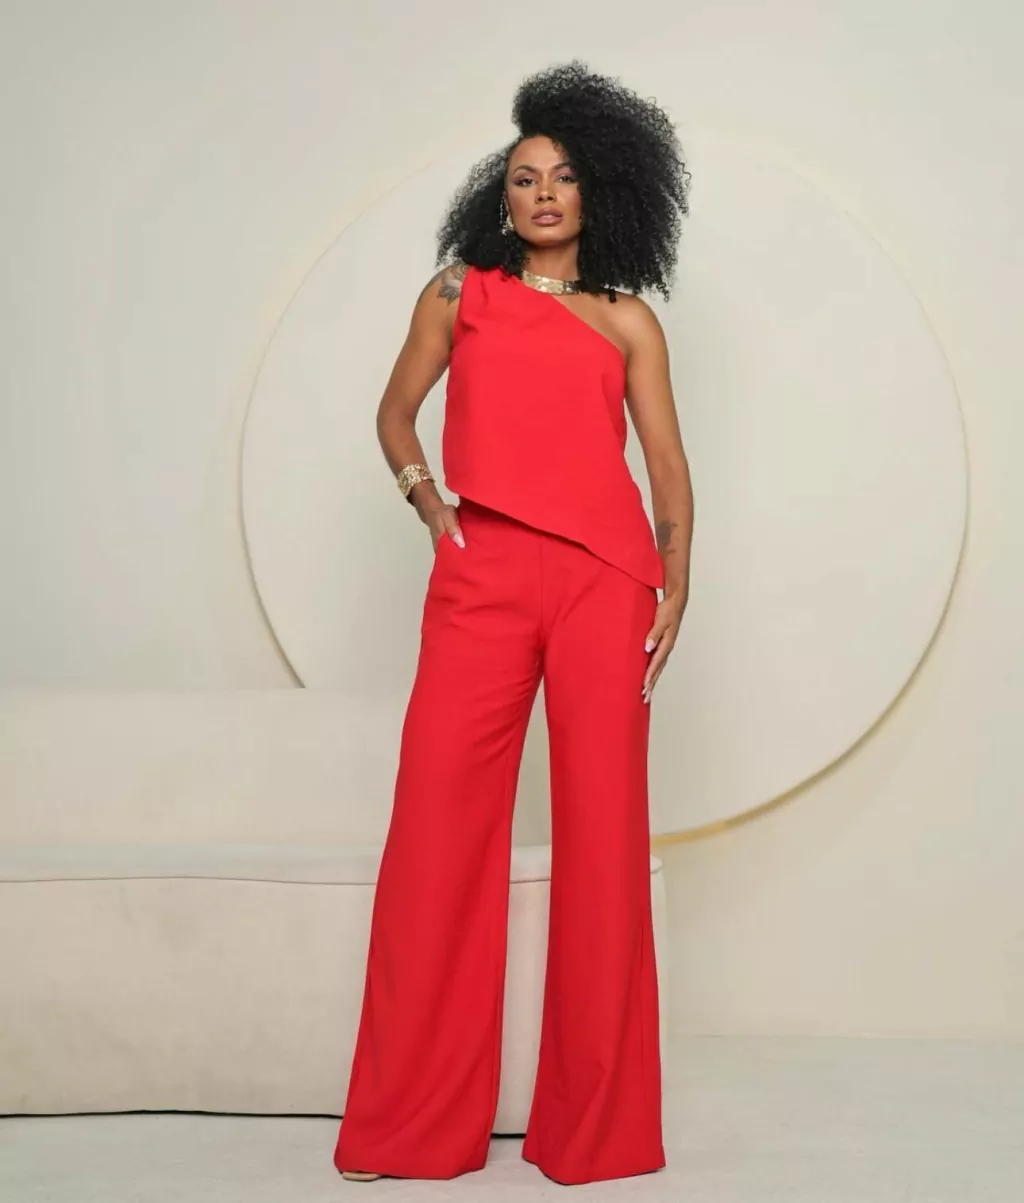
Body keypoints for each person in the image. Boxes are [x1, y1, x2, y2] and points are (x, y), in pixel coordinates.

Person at [333, 59, 694, 1187]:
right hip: (479, 574)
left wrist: (677, 579)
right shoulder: (458, 295)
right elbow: (396, 411)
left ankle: (595, 1134)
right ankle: (409, 1127)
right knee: (437, 834)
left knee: (604, 845)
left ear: (599, 192)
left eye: (564, 176)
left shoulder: (628, 321)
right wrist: (427, 499)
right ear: (502, 196)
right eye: (525, 177)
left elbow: (667, 464)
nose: (544, 194)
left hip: (606, 586)